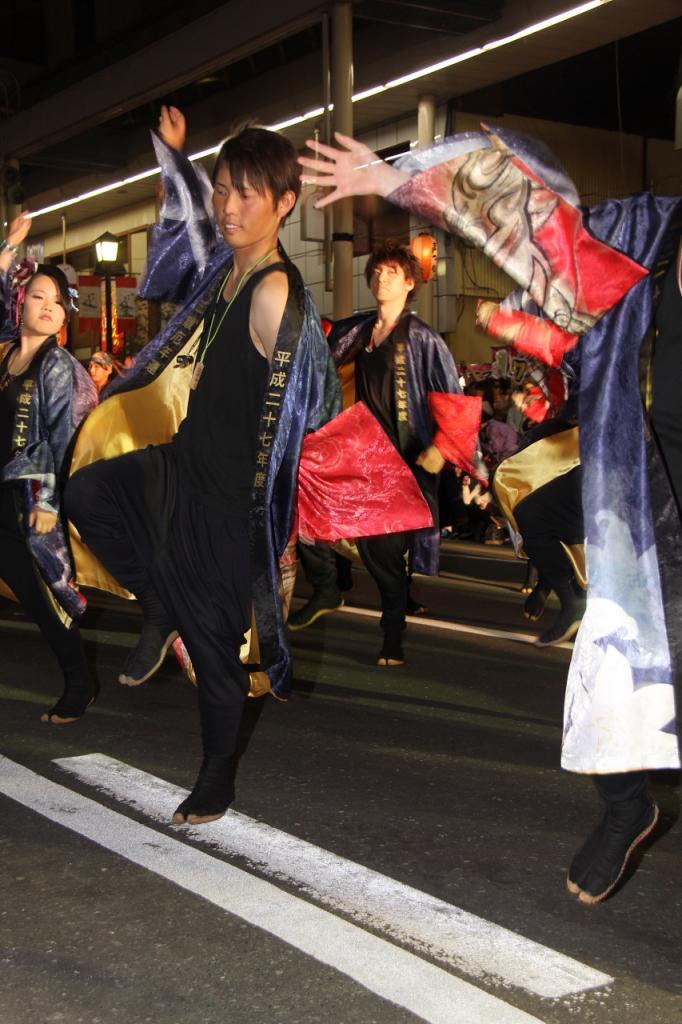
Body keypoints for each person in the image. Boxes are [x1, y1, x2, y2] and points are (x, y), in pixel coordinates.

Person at [299, 127, 681, 904]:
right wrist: (397, 179)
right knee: (612, 670)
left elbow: (453, 389)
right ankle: (625, 802)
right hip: (638, 495)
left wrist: (446, 446)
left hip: (617, 498)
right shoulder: (648, 236)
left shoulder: (424, 339)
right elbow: (536, 218)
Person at [65, 106, 341, 826]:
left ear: (286, 203)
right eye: (222, 190)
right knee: (88, 493)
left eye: (247, 193)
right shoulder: (227, 270)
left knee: (217, 657)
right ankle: (160, 604)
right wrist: (175, 158)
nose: (229, 207)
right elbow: (185, 236)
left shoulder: (275, 292)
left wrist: (291, 514)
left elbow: (317, 402)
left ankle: (217, 776)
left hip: (226, 501)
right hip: (181, 465)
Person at [293, 242, 482, 665]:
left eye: (392, 273)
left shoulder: (422, 337)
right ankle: (326, 587)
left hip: (400, 463)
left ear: (410, 282)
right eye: (377, 272)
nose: (382, 279)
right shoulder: (356, 331)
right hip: (357, 453)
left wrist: (443, 448)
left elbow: (456, 398)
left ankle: (392, 635)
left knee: (384, 558)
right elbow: (314, 354)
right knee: (302, 505)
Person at [0, 214, 98, 723]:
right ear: (20, 304)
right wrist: (9, 247)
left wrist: (47, 504)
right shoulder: (6, 353)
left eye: (57, 302)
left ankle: (80, 682)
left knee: (41, 595)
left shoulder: (60, 370)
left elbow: (66, 444)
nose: (47, 307)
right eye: (37, 296)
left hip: (27, 500)